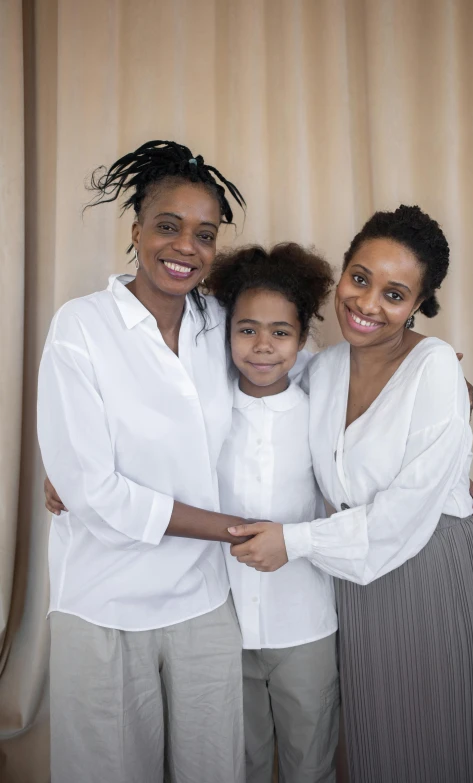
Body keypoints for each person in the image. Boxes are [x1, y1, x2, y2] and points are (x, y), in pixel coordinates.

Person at [229, 205, 473, 783]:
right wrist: (96, 467)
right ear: (343, 271)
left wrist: (292, 542)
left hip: (426, 564)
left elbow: (405, 512)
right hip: (351, 570)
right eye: (360, 278)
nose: (368, 303)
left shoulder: (434, 368)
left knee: (432, 737)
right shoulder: (320, 368)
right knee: (374, 738)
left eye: (395, 295)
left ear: (420, 305)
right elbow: (245, 385)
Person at [37, 140, 253, 783]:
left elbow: (299, 392)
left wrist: (422, 394)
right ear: (135, 231)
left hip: (202, 599)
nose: (186, 247)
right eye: (168, 226)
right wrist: (230, 528)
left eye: (204, 234)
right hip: (103, 601)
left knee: (214, 769)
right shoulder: (81, 327)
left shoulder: (222, 324)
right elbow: (94, 492)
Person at [205, 243, 339, 782]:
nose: (263, 346)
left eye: (281, 333)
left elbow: (380, 467)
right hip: (223, 621)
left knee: (311, 762)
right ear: (227, 331)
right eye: (247, 330)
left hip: (304, 622)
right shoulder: (207, 409)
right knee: (243, 762)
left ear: (302, 338)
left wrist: (458, 482)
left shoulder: (320, 411)